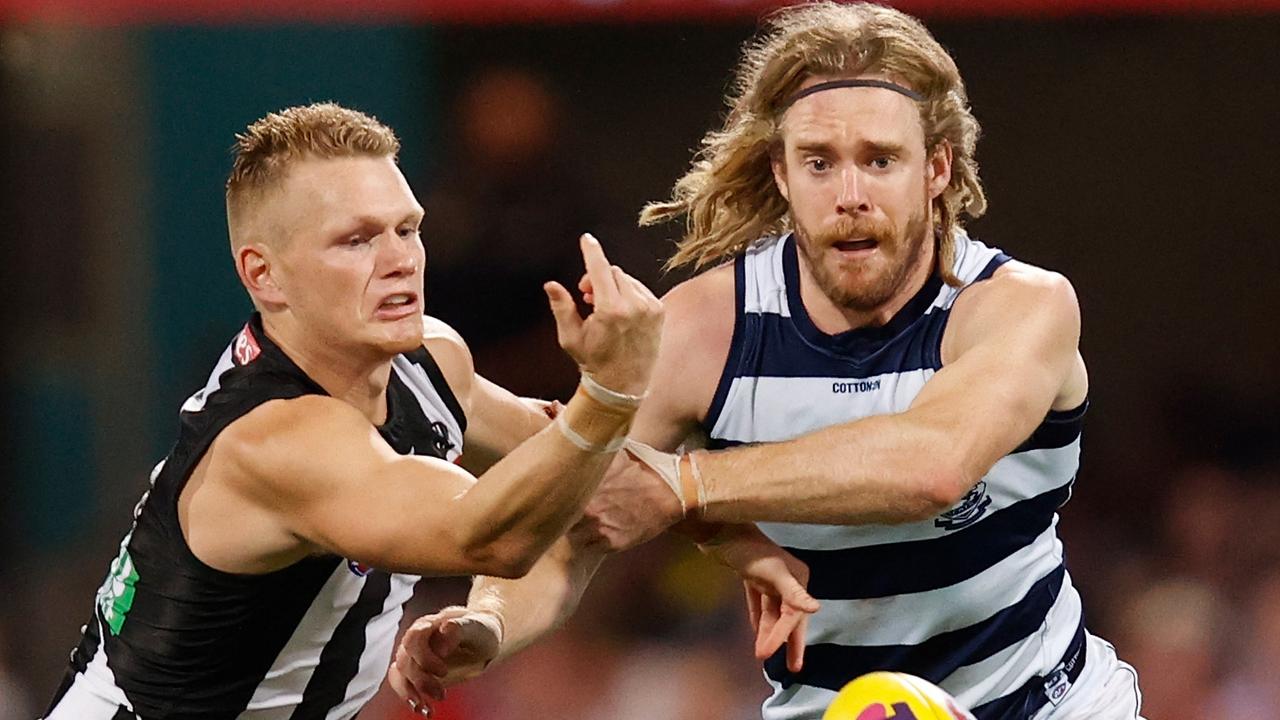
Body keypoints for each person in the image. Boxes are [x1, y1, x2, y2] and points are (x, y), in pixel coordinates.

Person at [392, 3, 1145, 719]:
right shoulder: (704, 329)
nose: (850, 194)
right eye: (819, 162)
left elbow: (932, 467)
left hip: (1053, 703)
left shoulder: (1017, 306)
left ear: (938, 169)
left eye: (881, 160)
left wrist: (686, 485)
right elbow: (584, 514)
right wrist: (486, 620)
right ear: (783, 175)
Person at [40, 102, 672, 720]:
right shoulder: (274, 437)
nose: (400, 261)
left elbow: (589, 484)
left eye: (408, 228)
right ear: (264, 276)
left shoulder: (431, 359)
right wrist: (611, 390)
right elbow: (494, 535)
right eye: (356, 240)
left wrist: (491, 623)